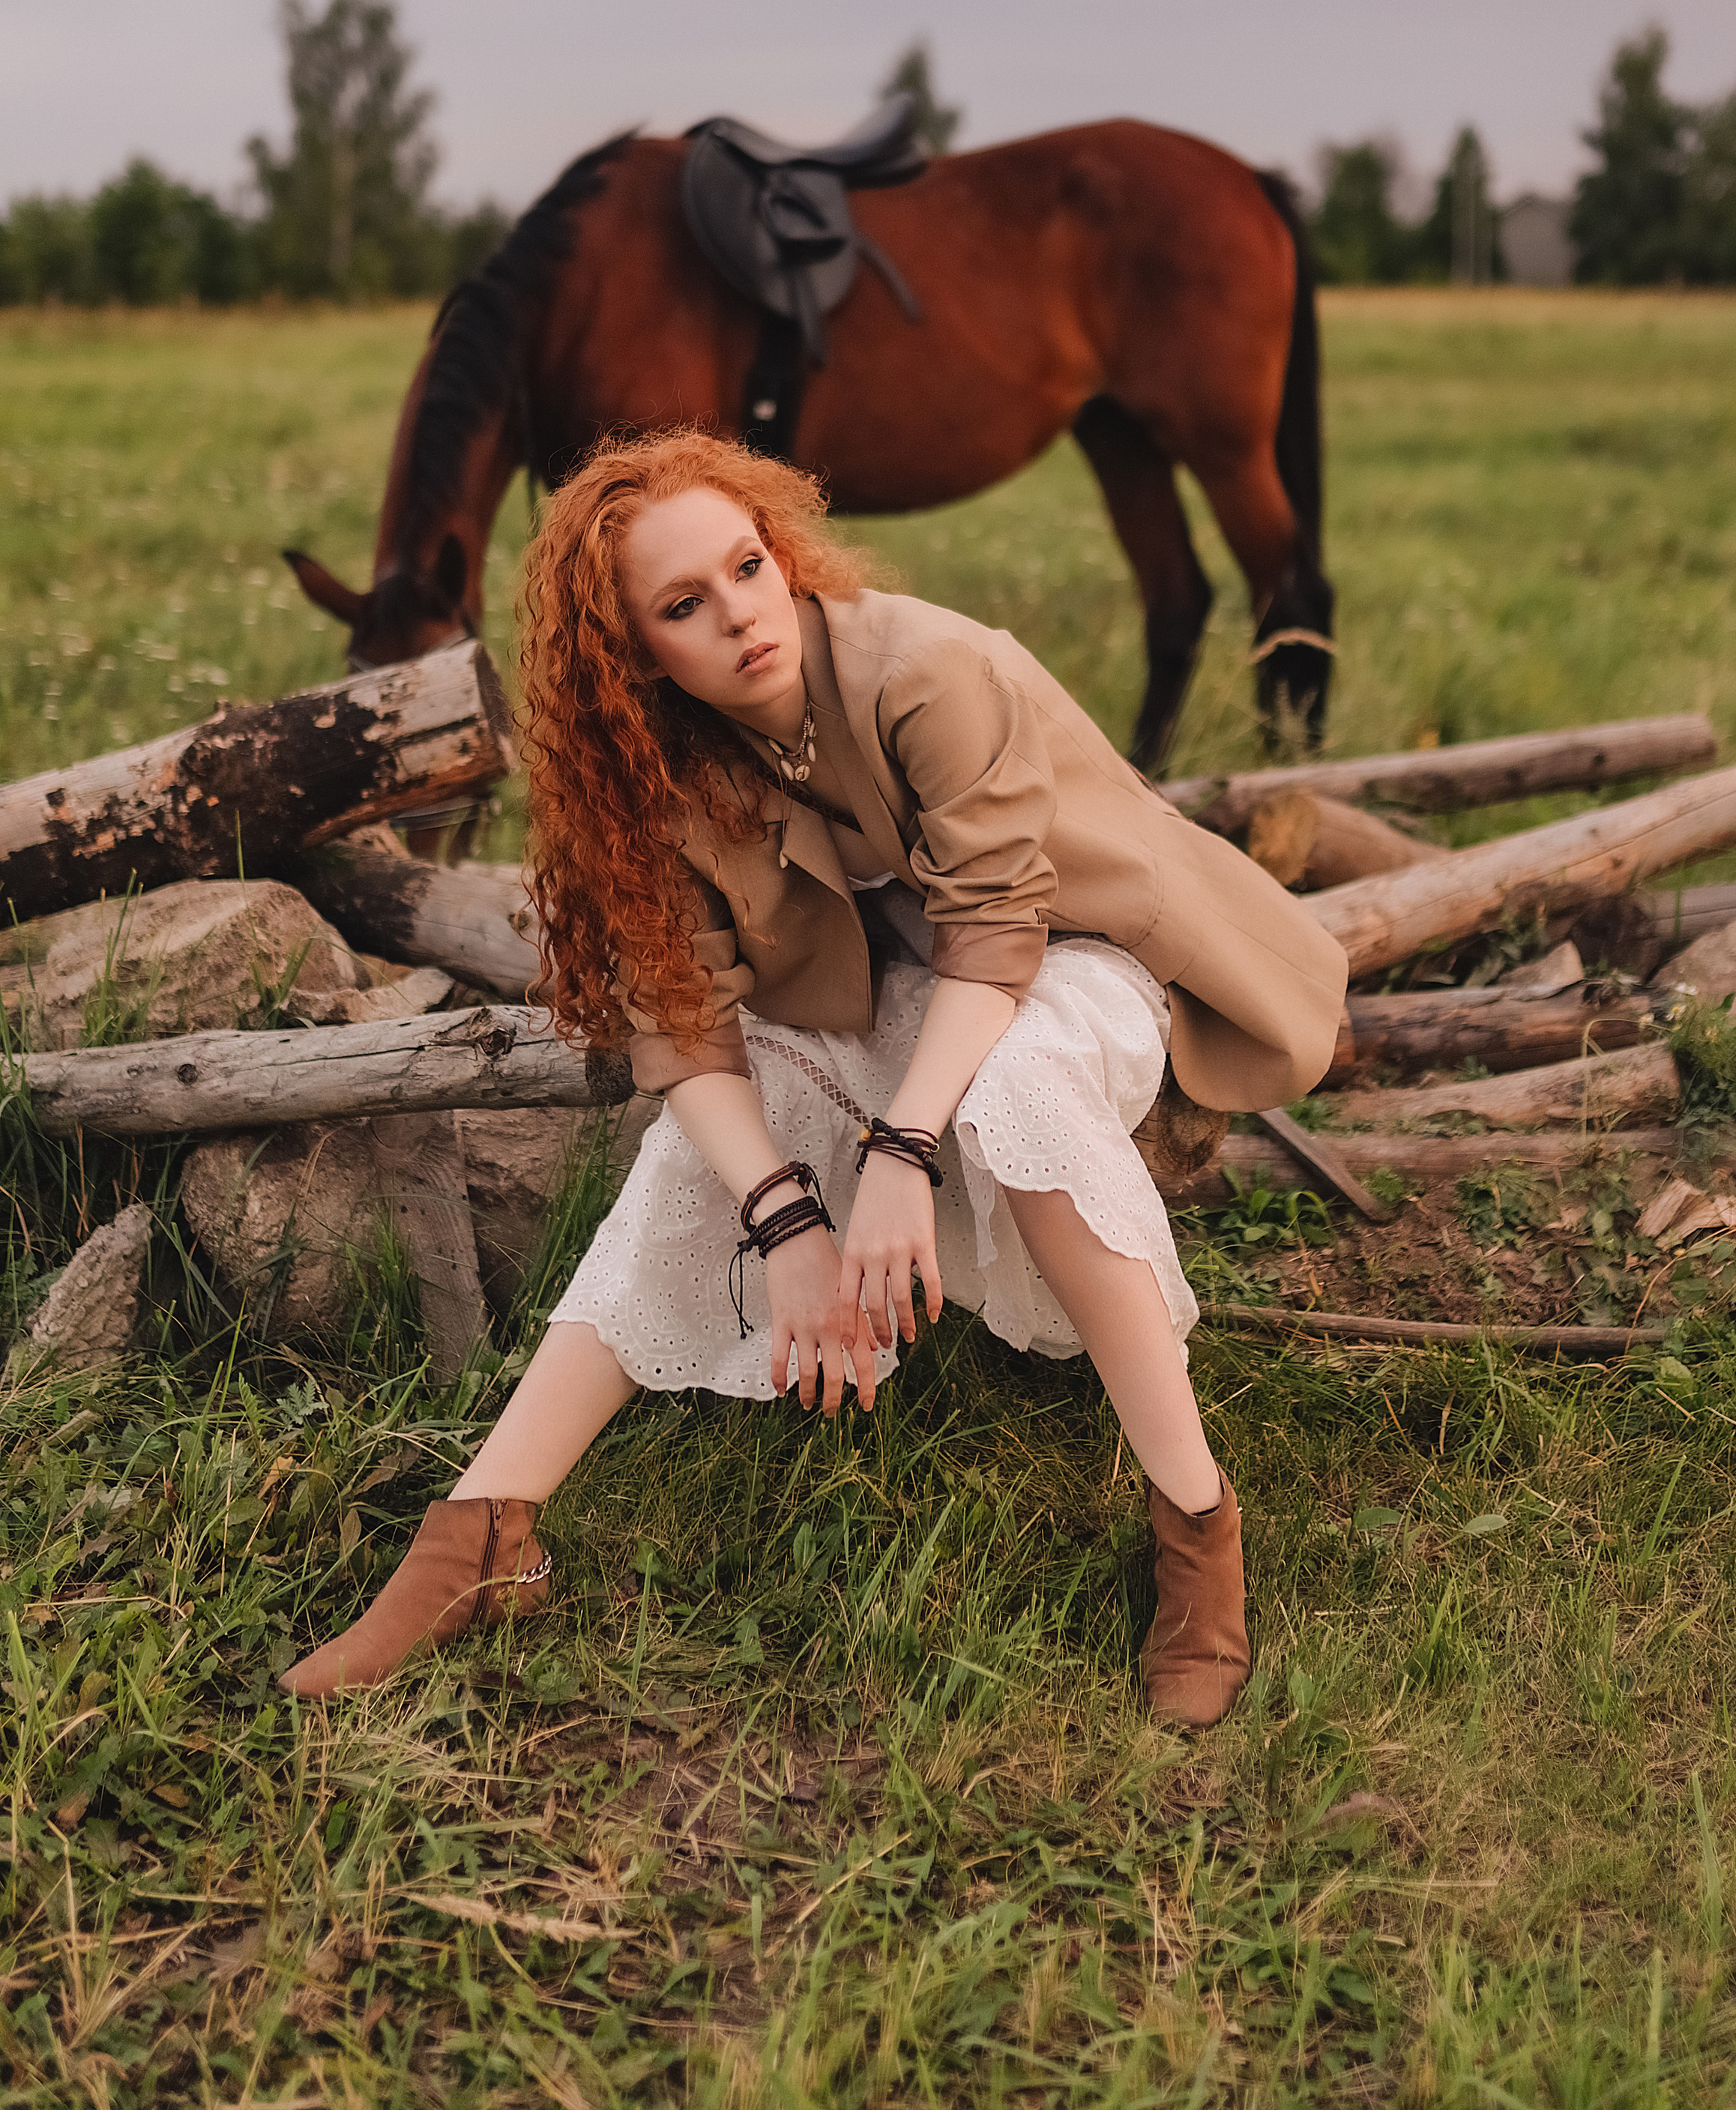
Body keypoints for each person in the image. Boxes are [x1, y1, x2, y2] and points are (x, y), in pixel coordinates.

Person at [283, 431, 1347, 1724]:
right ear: (632, 655)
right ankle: (484, 1532)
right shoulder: (654, 767)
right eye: (684, 605)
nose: (740, 614)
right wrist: (785, 1218)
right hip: (896, 987)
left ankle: (1196, 1521)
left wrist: (899, 1156)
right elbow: (683, 1027)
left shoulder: (927, 668)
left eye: (746, 564)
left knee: (1012, 1086)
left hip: (1083, 955)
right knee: (715, 1136)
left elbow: (1000, 935)